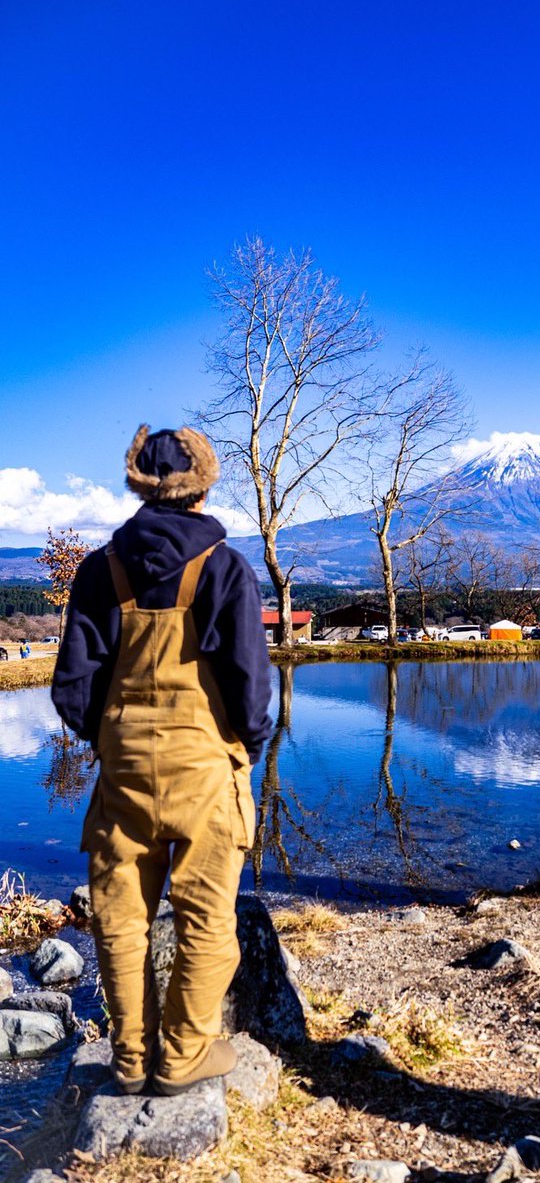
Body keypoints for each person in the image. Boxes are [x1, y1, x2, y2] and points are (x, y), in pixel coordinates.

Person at [52, 425, 273, 1096]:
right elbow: (250, 686)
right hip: (207, 768)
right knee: (207, 915)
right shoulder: (226, 567)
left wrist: (112, 738)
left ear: (141, 485)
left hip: (123, 771)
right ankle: (182, 1058)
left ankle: (128, 1059)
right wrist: (245, 749)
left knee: (120, 918)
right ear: (202, 487)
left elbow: (72, 687)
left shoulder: (99, 569)